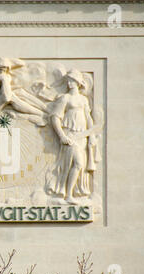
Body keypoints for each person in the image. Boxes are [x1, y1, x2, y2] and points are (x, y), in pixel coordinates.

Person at [46, 69, 97, 205]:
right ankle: (68, 195)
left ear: (78, 82)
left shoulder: (84, 99)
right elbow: (55, 118)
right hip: (70, 135)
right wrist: (62, 136)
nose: (69, 83)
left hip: (82, 136)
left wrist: (91, 135)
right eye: (68, 80)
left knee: (79, 165)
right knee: (77, 163)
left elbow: (88, 118)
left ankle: (70, 193)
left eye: (72, 80)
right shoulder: (65, 98)